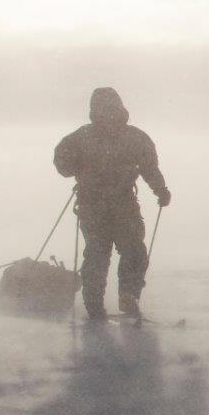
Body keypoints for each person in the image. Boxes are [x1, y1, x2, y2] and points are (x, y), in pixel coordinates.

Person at [54, 87, 171, 322]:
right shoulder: (134, 137)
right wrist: (160, 190)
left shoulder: (82, 137)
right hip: (117, 204)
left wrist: (160, 189)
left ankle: (98, 305)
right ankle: (126, 296)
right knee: (130, 252)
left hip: (97, 206)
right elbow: (150, 168)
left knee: (100, 255)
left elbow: (62, 164)